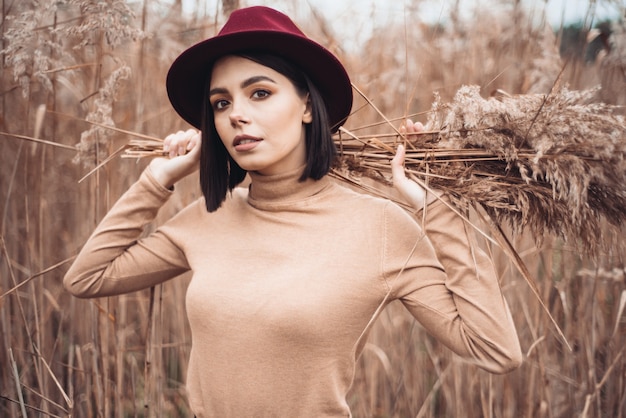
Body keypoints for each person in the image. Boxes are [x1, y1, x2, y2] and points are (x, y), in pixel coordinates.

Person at [64, 5, 522, 417]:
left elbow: (496, 350)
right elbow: (87, 278)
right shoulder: (208, 218)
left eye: (259, 93)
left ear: (306, 104)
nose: (235, 115)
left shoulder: (381, 228)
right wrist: (159, 178)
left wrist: (435, 208)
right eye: (221, 103)